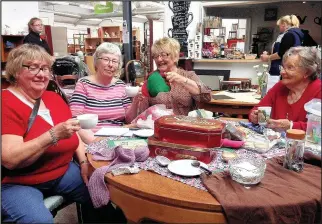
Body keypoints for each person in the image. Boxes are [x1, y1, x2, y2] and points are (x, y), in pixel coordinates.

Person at [1, 44, 116, 223]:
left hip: (62, 171)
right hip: (19, 183)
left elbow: (74, 134)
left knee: (101, 195)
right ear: (16, 71)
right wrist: (52, 135)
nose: (42, 74)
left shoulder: (53, 98)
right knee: (39, 220)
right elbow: (9, 158)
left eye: (45, 68)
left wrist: (84, 161)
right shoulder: (6, 102)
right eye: (33, 67)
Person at [126, 37, 212, 122]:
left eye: (164, 55)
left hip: (185, 128)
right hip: (160, 130)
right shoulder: (152, 79)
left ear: (175, 56)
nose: (159, 59)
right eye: (156, 56)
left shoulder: (188, 76)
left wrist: (182, 80)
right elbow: (141, 115)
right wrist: (138, 101)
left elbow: (206, 96)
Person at [69, 42, 131, 144]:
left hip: (118, 138)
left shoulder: (120, 85)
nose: (110, 65)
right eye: (106, 59)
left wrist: (137, 101)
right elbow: (75, 119)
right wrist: (96, 143)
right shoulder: (84, 84)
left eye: (115, 61)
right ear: (96, 62)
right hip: (92, 139)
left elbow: (129, 119)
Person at [249, 46, 321, 132]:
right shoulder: (280, 86)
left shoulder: (318, 90)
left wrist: (291, 126)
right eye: (283, 67)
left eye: (290, 67)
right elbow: (257, 109)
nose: (282, 72)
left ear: (307, 72)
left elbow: (317, 129)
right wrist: (254, 116)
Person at [260, 14, 304, 91]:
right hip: (290, 68)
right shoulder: (297, 34)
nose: (279, 28)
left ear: (284, 24)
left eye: (279, 25)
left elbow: (282, 53)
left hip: (280, 69)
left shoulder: (289, 35)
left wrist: (268, 57)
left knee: (275, 93)